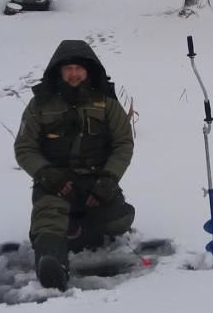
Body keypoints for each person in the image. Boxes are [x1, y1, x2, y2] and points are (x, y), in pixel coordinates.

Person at [14, 40, 135, 290]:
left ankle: (81, 225)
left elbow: (123, 143)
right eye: (68, 68)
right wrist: (47, 174)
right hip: (56, 183)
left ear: (88, 70)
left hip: (96, 181)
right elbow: (24, 147)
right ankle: (53, 265)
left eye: (79, 68)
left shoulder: (106, 102)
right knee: (48, 220)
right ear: (58, 71)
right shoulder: (40, 104)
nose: (74, 74)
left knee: (119, 220)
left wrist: (108, 181)